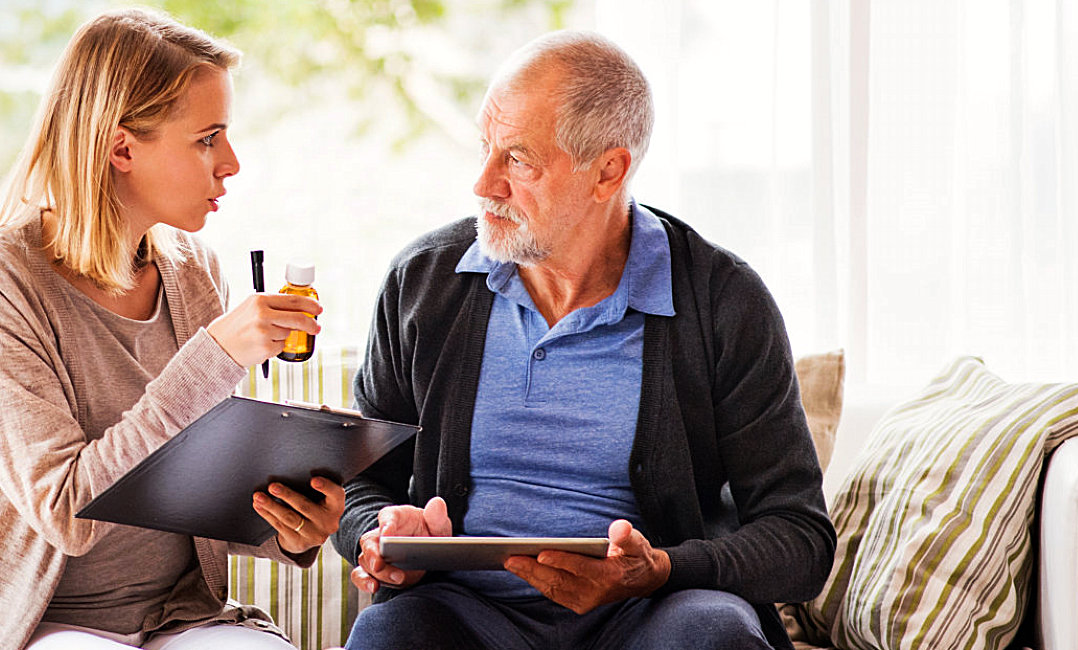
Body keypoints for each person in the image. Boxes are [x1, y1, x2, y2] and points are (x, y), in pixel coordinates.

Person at [332, 30, 834, 650]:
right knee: (389, 636)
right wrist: (378, 535)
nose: (483, 183)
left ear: (608, 172)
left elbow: (800, 540)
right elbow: (358, 481)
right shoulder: (423, 281)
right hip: (463, 611)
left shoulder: (724, 301)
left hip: (653, 614)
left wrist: (663, 569)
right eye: (485, 149)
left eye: (517, 159)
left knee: (715, 636)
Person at [0, 9, 343, 650]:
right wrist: (215, 354)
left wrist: (287, 528)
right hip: (29, 626)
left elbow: (190, 487)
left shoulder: (195, 272)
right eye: (207, 138)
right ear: (120, 149)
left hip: (180, 614)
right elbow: (68, 513)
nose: (232, 163)